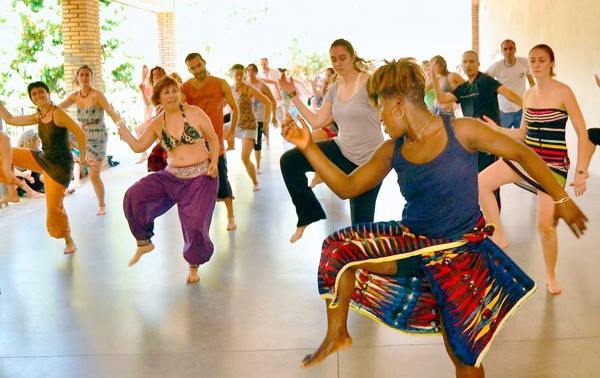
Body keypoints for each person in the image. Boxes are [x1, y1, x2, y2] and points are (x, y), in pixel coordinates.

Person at [281, 58, 587, 377]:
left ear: (398, 103)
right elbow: (347, 187)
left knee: (463, 355)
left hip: (460, 255)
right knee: (339, 250)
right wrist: (308, 147)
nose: (381, 118)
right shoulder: (392, 149)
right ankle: (338, 333)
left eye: (381, 108)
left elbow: (522, 153)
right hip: (414, 244)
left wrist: (561, 198)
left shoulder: (461, 131)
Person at [478, 44, 591, 295]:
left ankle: (551, 275)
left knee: (546, 227)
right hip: (527, 157)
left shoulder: (564, 92)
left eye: (541, 60)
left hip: (553, 165)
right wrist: (497, 130)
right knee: (481, 183)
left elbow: (583, 133)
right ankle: (498, 234)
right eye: (532, 61)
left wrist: (581, 172)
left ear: (551, 63)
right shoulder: (528, 95)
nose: (537, 64)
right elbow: (521, 133)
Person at [279, 39, 384, 243]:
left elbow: (390, 103)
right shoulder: (335, 89)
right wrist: (292, 94)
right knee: (290, 161)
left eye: (342, 58)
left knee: (361, 229)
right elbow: (317, 121)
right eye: (333, 59)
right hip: (342, 149)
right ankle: (308, 213)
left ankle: (364, 269)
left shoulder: (370, 82)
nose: (338, 63)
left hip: (370, 162)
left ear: (353, 57)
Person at [118, 75, 220, 284]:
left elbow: (213, 138)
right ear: (159, 98)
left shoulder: (195, 113)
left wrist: (214, 162)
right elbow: (139, 146)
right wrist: (124, 132)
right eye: (166, 92)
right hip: (173, 177)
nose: (172, 95)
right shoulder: (158, 123)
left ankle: (193, 265)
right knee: (134, 195)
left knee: (194, 226)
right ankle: (144, 241)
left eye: (174, 90)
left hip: (201, 178)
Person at [0, 81, 88, 253]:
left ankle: (69, 241)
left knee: (54, 209)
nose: (38, 95)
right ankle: (12, 193)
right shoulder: (38, 115)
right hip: (43, 158)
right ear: (32, 99)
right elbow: (10, 120)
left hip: (60, 167)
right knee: (6, 150)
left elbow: (80, 133)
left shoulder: (58, 113)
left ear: (48, 94)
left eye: (41, 92)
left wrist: (83, 158)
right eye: (34, 94)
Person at [182, 52, 240, 231]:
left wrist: (230, 133)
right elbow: (183, 112)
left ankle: (230, 216)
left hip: (216, 142)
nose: (197, 70)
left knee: (222, 176)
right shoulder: (185, 88)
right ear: (189, 69)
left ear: (204, 63)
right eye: (192, 68)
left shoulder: (219, 83)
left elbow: (234, 108)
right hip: (197, 143)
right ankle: (202, 220)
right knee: (199, 182)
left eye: (199, 65)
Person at [58, 65, 123, 216]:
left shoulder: (97, 95)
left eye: (87, 75)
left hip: (98, 136)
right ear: (77, 78)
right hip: (82, 135)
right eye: (82, 75)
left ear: (91, 78)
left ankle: (101, 204)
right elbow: (58, 108)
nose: (85, 77)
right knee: (63, 141)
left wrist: (120, 127)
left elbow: (111, 112)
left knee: (94, 175)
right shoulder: (75, 96)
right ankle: (72, 179)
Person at [229, 64, 271, 190]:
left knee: (244, 158)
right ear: (232, 75)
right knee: (216, 132)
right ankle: (228, 147)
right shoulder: (229, 89)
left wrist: (265, 121)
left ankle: (255, 182)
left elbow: (267, 102)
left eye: (242, 74)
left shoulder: (249, 89)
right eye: (236, 74)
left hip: (248, 126)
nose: (239, 76)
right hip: (234, 124)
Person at [486, 39, 536, 128]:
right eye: (505, 49)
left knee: (521, 139)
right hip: (503, 112)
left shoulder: (524, 62)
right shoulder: (497, 66)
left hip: (521, 110)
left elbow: (532, 82)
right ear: (501, 52)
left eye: (511, 48)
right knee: (503, 139)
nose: (508, 51)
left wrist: (532, 98)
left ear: (515, 49)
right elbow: (483, 80)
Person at [245, 63, 277, 173]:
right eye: (248, 70)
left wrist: (274, 117)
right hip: (249, 118)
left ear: (256, 72)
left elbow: (272, 101)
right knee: (252, 140)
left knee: (257, 140)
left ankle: (258, 165)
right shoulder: (245, 84)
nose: (250, 73)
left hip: (260, 118)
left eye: (252, 70)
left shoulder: (262, 85)